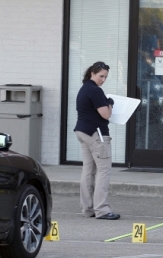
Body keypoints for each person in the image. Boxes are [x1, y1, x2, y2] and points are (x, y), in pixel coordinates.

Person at [73, 61, 120, 220]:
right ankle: (102, 209)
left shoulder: (84, 89)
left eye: (105, 77)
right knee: (104, 170)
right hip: (96, 134)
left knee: (88, 170)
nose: (103, 79)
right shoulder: (95, 91)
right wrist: (110, 103)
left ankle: (88, 209)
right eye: (101, 76)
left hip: (82, 131)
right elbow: (106, 114)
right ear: (92, 73)